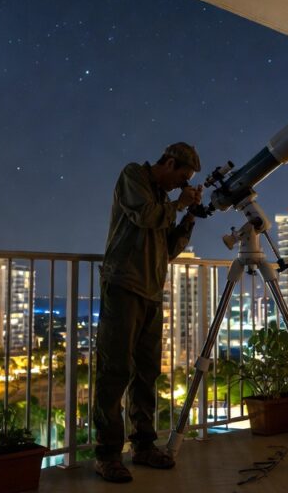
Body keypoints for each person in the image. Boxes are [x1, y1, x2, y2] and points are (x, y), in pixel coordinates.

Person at [93, 142, 203, 483]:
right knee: (115, 371)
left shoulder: (164, 198)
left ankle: (143, 446)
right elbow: (146, 215)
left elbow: (167, 247)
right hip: (124, 286)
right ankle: (108, 454)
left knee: (146, 374)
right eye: (181, 176)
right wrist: (178, 204)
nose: (180, 185)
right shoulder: (134, 176)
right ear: (168, 162)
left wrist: (187, 219)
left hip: (152, 292)